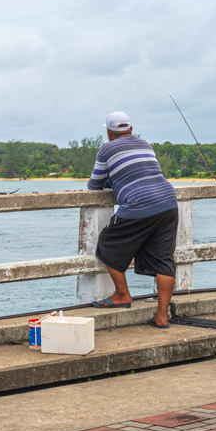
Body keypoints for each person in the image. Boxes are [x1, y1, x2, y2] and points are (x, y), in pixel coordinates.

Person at [86, 111, 179, 328]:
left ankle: (122, 294)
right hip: (167, 201)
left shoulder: (107, 149)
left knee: (107, 244)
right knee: (164, 259)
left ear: (109, 132)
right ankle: (162, 317)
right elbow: (142, 174)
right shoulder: (145, 144)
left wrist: (111, 182)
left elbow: (94, 184)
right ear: (131, 129)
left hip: (139, 204)